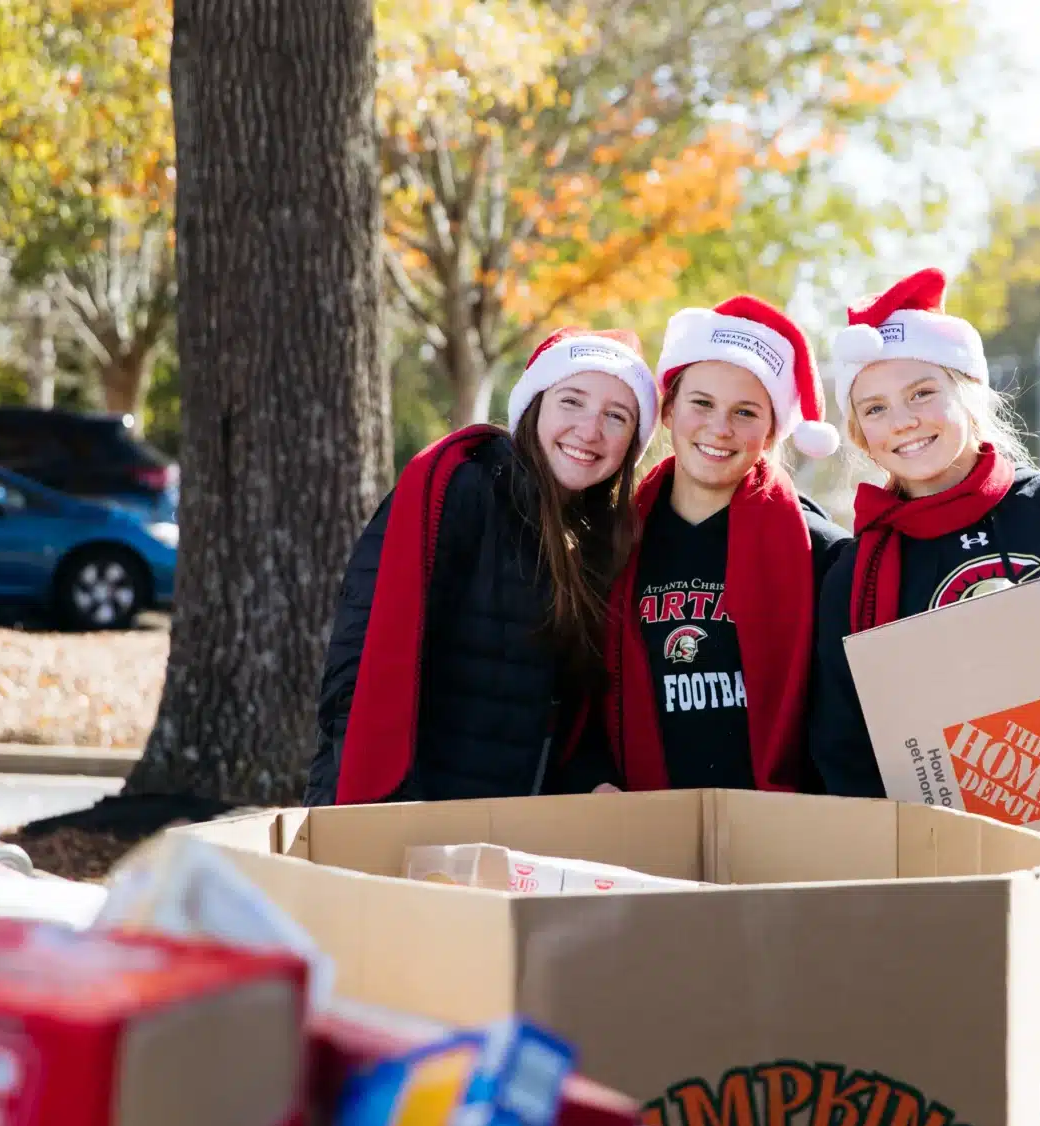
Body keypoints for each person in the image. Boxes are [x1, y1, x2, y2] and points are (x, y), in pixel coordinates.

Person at [809, 267, 1040, 798]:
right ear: (860, 434)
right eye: (875, 408)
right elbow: (844, 754)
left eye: (922, 393)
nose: (901, 420)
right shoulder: (855, 579)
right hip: (949, 855)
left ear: (969, 394)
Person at [305, 327, 658, 806]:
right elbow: (362, 657)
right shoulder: (461, 489)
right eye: (572, 401)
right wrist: (389, 808)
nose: (590, 430)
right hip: (406, 809)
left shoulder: (600, 541)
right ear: (534, 407)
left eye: (616, 416)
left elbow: (567, 711)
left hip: (510, 832)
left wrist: (592, 780)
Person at [598, 296, 851, 792]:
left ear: (773, 430)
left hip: (775, 833)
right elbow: (576, 695)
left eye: (745, 412)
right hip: (639, 826)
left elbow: (841, 723)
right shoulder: (610, 544)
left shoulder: (820, 555)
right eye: (702, 403)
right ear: (668, 410)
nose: (720, 428)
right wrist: (594, 779)